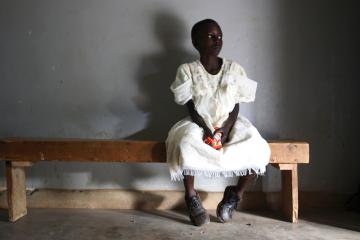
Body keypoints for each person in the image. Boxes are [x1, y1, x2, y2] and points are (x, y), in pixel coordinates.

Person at [165, 19, 270, 226]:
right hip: (199, 122)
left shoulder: (234, 69)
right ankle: (191, 196)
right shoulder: (188, 70)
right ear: (196, 42)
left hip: (229, 122)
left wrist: (225, 129)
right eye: (211, 37)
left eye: (220, 36)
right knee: (186, 142)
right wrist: (206, 129)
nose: (217, 41)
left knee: (256, 145)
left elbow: (236, 105)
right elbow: (191, 107)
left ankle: (235, 194)